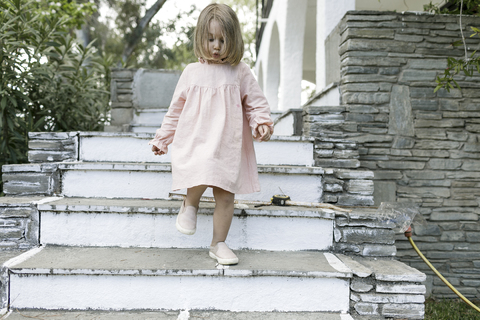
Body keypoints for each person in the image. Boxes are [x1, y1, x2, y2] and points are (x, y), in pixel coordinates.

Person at [149, 3, 273, 265]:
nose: (216, 46)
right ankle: (190, 204)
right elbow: (175, 110)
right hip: (197, 140)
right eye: (210, 39)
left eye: (222, 40)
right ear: (200, 38)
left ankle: (218, 243)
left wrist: (261, 122)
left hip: (228, 144)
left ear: (233, 40)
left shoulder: (240, 71)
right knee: (202, 168)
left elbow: (256, 102)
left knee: (226, 196)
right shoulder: (191, 72)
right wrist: (163, 138)